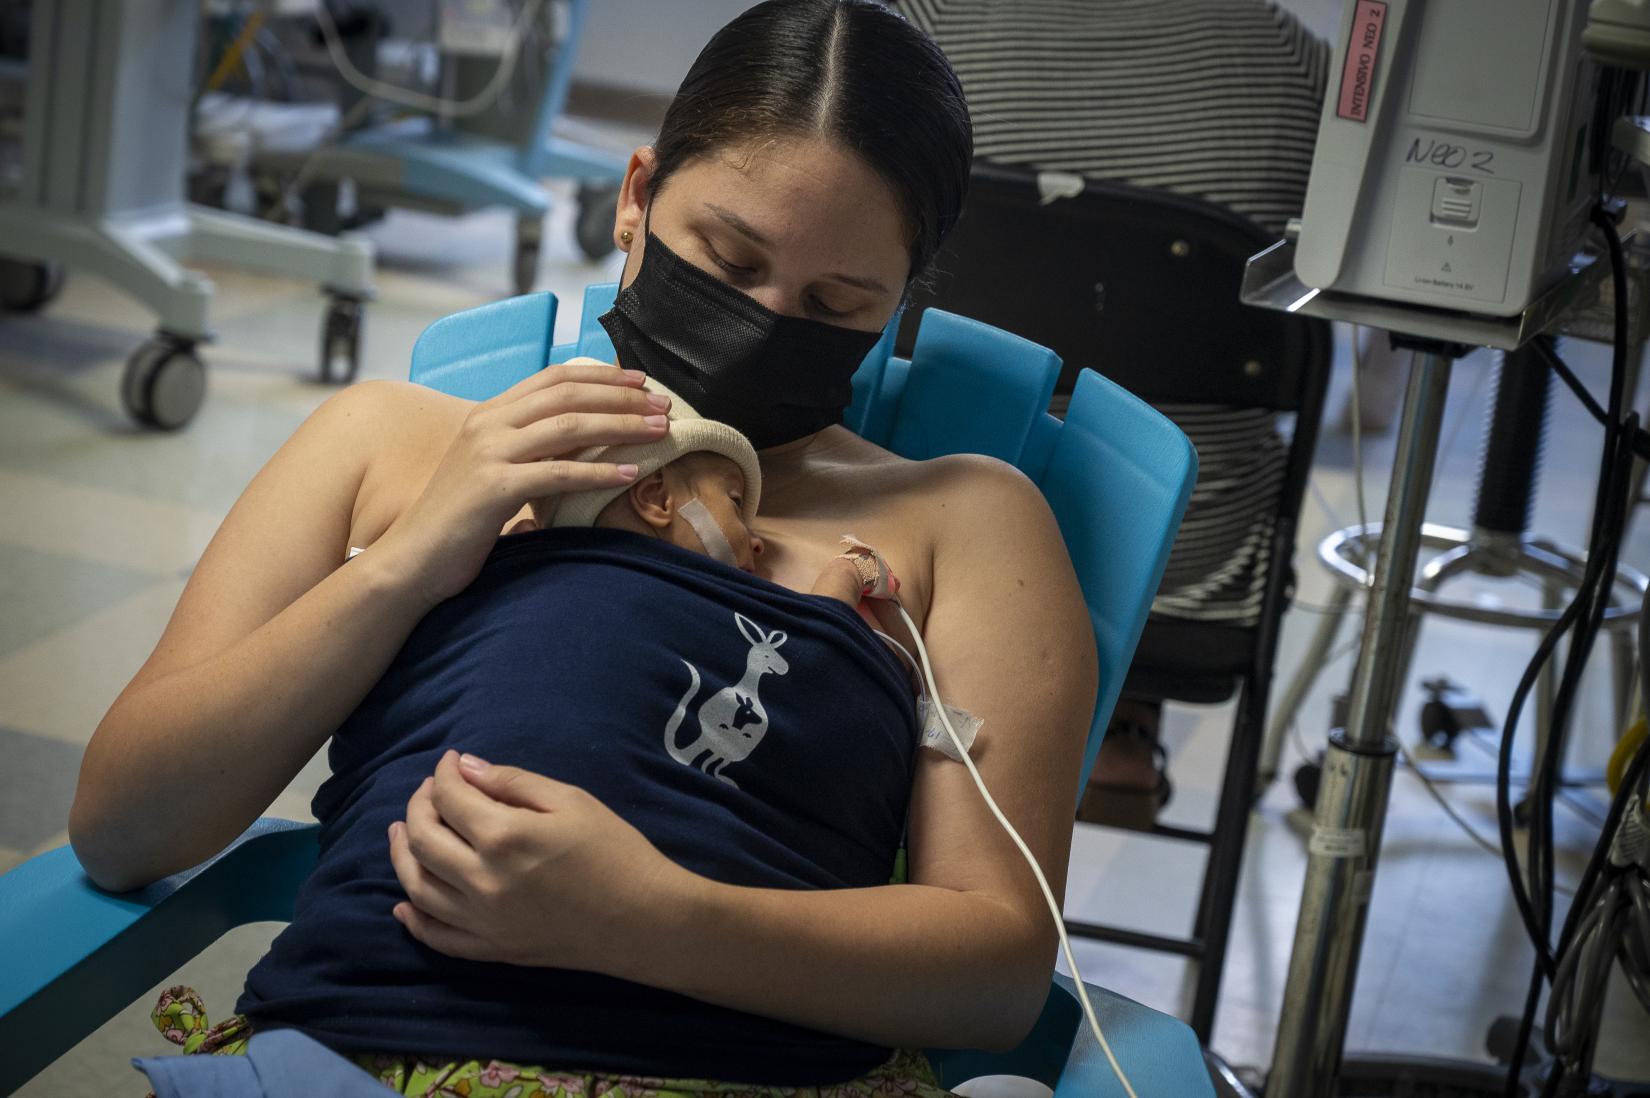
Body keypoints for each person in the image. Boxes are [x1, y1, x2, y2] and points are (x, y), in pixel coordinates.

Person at [69, 2, 1099, 1095]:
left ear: (897, 308)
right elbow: (123, 827)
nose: (761, 318)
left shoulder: (964, 522)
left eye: (835, 301)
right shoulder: (391, 444)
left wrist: (654, 919)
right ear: (635, 198)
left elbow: (994, 979)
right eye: (727, 255)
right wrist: (417, 556)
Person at [895, 0, 1330, 824]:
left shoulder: (920, 26)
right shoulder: (1290, 56)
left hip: (930, 531)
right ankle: (1116, 719)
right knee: (1138, 440)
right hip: (1184, 564)